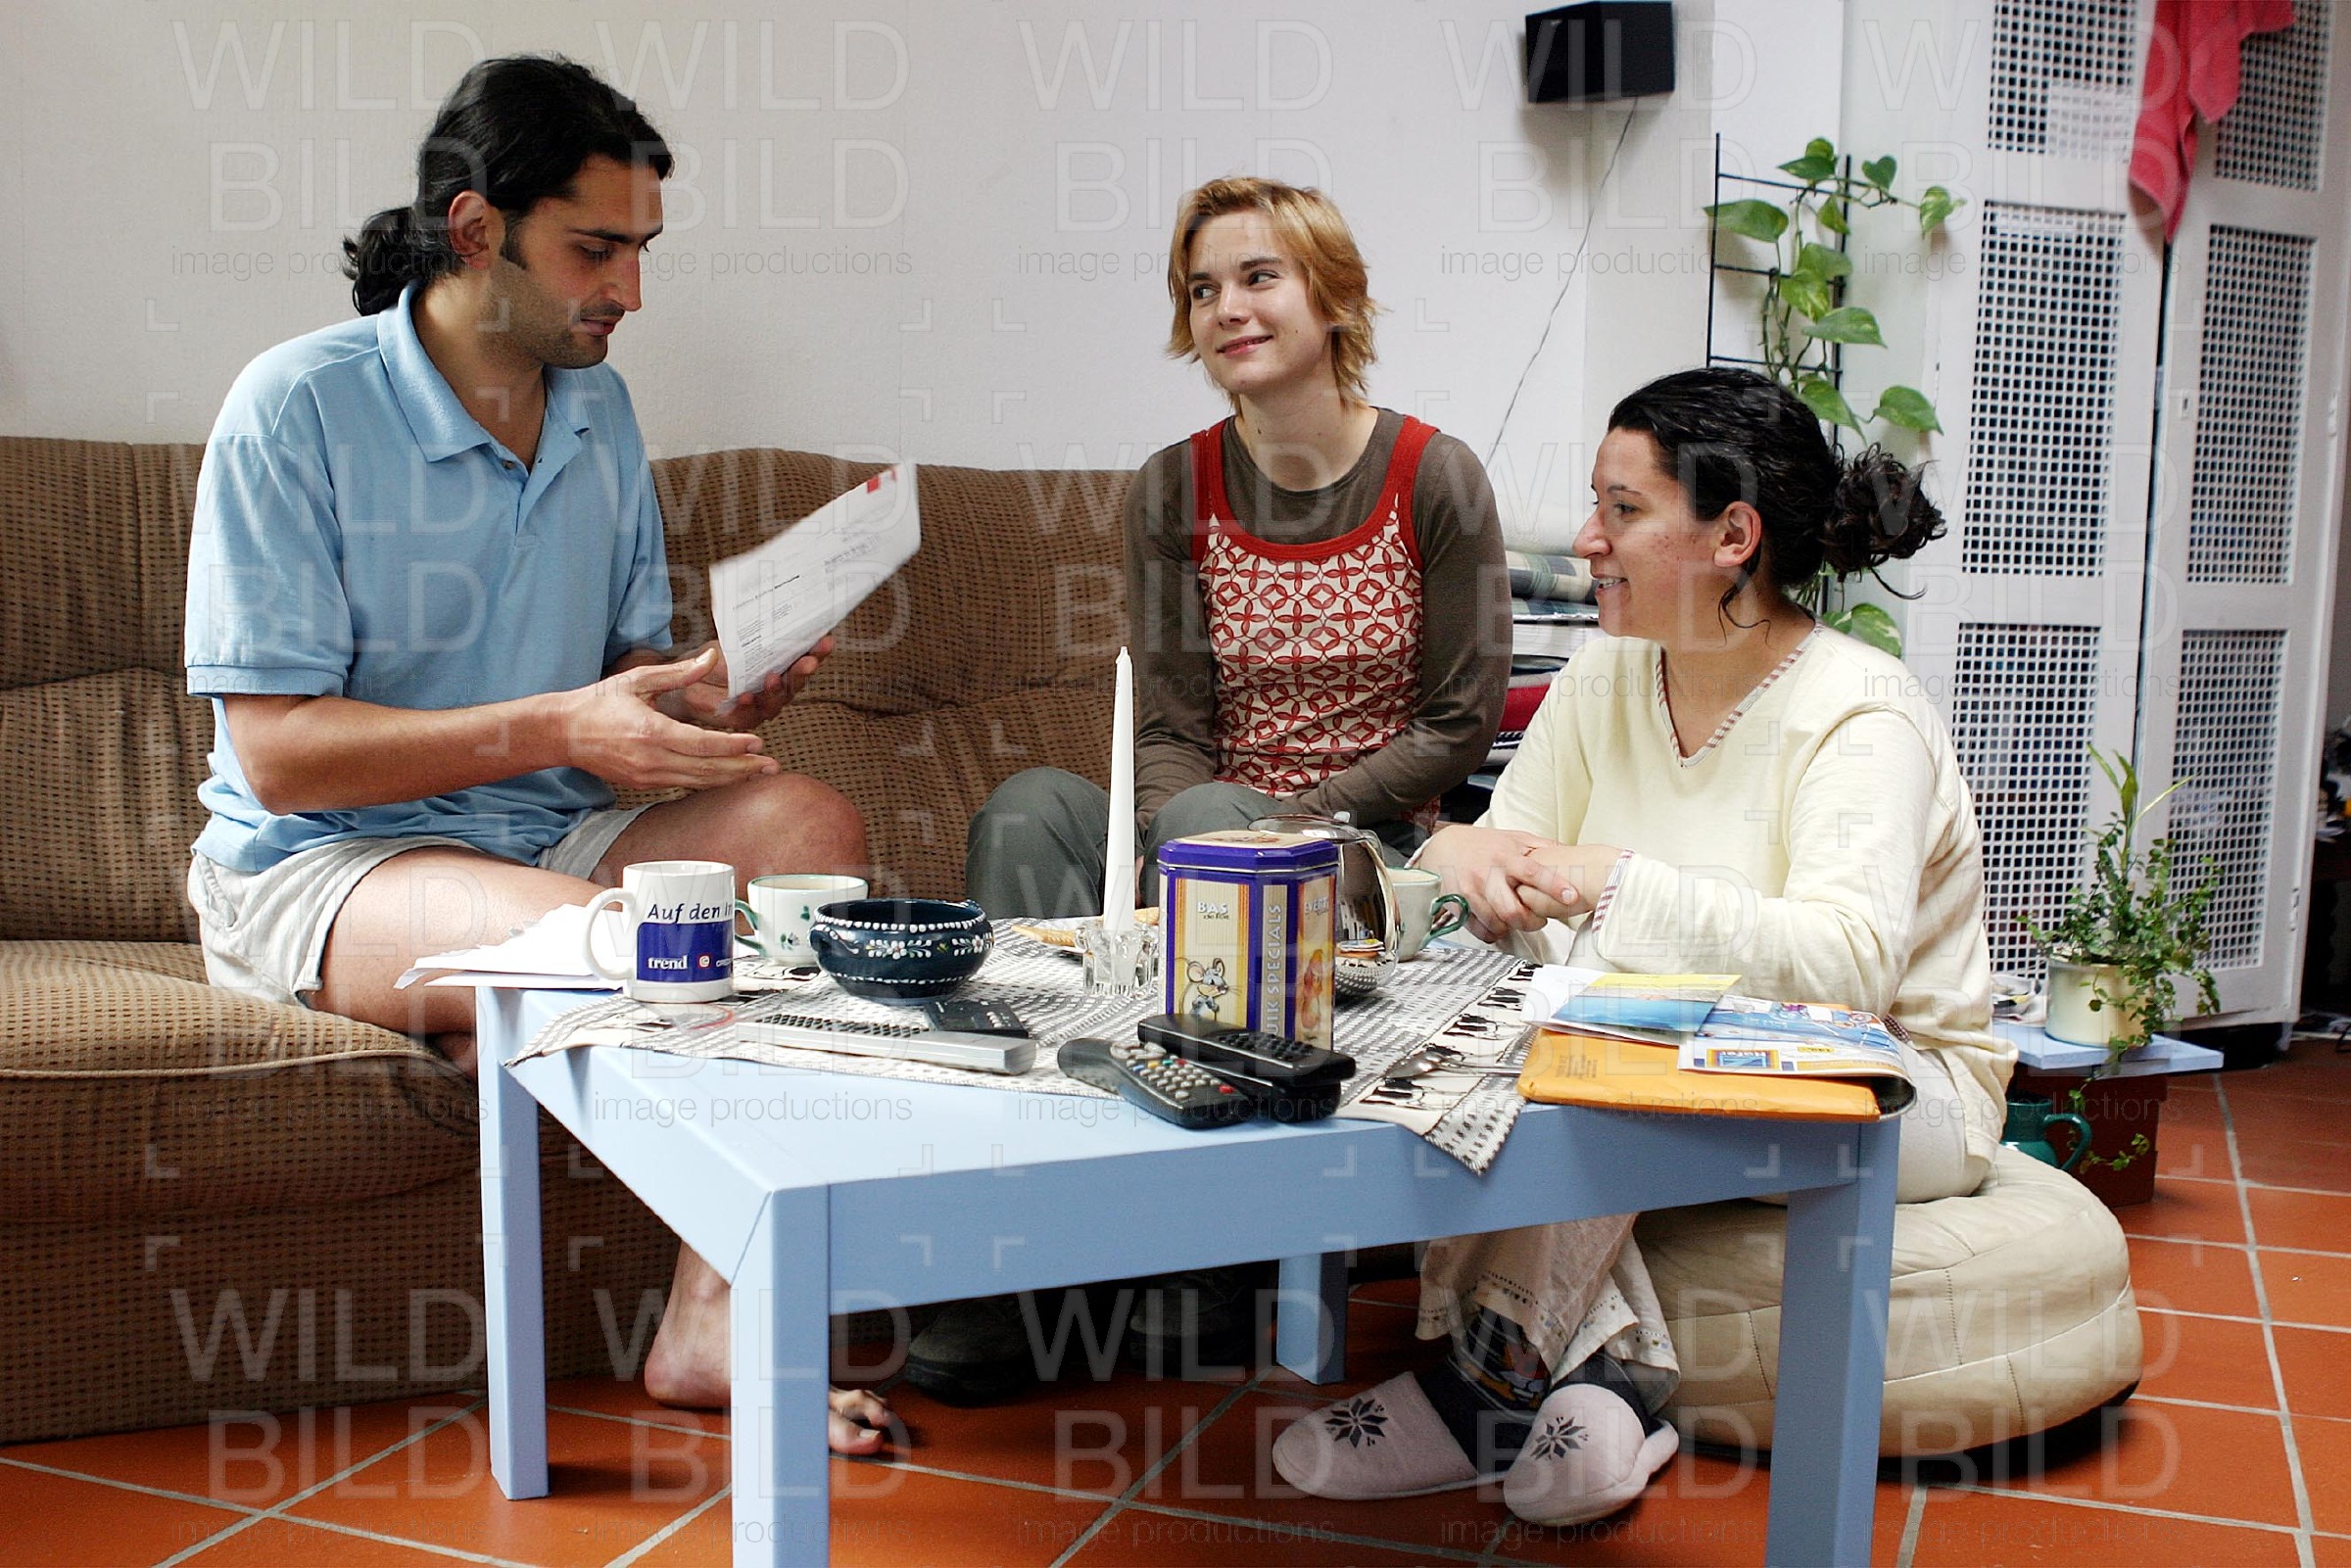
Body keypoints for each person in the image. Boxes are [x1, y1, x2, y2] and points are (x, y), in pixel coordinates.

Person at [180, 55, 889, 1454]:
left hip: (547, 836)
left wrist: (702, 697)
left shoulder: (596, 408)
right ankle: (514, 999)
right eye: (596, 248)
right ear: (475, 229)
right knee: (630, 942)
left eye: (644, 248)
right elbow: (279, 756)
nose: (632, 288)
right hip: (323, 864)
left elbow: (615, 690)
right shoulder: (295, 407)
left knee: (810, 836)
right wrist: (566, 725)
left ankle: (708, 1320)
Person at [1271, 366, 2013, 1527]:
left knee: (1602, 1010)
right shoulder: (1610, 671)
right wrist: (1462, 857)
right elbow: (1515, 859)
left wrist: (1607, 879)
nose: (1587, 540)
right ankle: (1611, 1377)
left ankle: (1487, 1385)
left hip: (1895, 1077)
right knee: (1503, 1009)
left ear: (1733, 536)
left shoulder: (1861, 711)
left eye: (1622, 510)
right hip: (1672, 1046)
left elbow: (1846, 967)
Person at [916, 178, 1512, 1405]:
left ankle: (1208, 1254)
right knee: (1030, 805)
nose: (1227, 306)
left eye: (1259, 276)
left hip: (1364, 847)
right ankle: (1016, 1255)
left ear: (1332, 297)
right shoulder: (1172, 486)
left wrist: (1283, 821)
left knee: (1209, 829)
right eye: (1202, 288)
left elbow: (1459, 723)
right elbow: (1172, 724)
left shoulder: (1434, 475)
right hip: (1196, 815)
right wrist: (1168, 845)